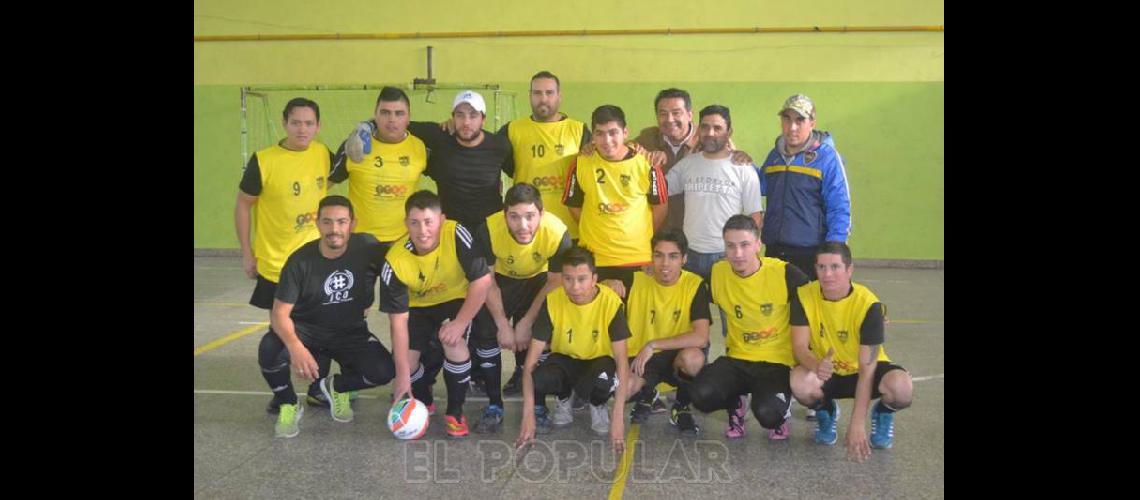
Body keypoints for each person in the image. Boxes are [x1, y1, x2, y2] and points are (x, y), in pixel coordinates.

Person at [259, 196, 395, 438]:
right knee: (269, 348)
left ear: (352, 223)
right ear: (318, 223)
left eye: (342, 222)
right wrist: (295, 347)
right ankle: (289, 403)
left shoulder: (366, 246)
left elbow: (403, 255)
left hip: (348, 332)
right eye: (328, 222)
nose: (335, 230)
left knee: (383, 370)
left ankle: (334, 387)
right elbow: (279, 314)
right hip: (307, 332)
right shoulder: (300, 261)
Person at [235, 97, 339, 414]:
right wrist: (246, 252)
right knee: (279, 336)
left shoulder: (323, 153)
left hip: (316, 265)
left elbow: (341, 179)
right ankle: (283, 395)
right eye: (296, 122)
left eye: (309, 123)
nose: (302, 129)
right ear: (284, 123)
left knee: (320, 333)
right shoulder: (264, 160)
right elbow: (242, 204)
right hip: (276, 264)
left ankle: (318, 389)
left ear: (318, 126)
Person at [496, 71, 590, 396]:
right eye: (537, 93)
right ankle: (524, 372)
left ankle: (571, 372)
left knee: (570, 307)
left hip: (569, 234)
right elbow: (486, 154)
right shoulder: (514, 131)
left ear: (560, 96)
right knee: (530, 309)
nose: (543, 99)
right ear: (529, 95)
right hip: (528, 235)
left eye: (549, 92)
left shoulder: (578, 130)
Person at [379, 190, 494, 438]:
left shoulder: (456, 233)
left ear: (441, 220)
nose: (422, 231)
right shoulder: (395, 261)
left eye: (429, 221)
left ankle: (455, 412)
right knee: (406, 364)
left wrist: (461, 323)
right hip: (418, 309)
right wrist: (401, 378)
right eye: (415, 223)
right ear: (405, 224)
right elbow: (398, 324)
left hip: (455, 300)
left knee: (453, 343)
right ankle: (421, 399)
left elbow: (482, 281)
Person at [789, 242, 913, 461]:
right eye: (821, 267)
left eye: (835, 267)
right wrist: (815, 365)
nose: (827, 274)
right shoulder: (803, 296)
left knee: (901, 388)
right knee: (800, 382)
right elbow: (799, 347)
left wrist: (857, 424)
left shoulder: (869, 305)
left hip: (862, 369)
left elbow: (867, 372)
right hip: (826, 369)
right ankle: (826, 410)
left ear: (849, 270)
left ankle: (883, 412)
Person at [688, 215, 808, 441]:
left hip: (776, 362)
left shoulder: (784, 273)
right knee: (701, 396)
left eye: (744, 245)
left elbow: (819, 297)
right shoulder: (718, 273)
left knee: (768, 414)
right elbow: (683, 286)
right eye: (731, 246)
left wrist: (870, 312)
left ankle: (780, 411)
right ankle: (737, 401)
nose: (738, 253)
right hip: (737, 359)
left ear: (758, 245)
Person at [515, 247, 630, 454]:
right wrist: (528, 415)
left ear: (594, 279)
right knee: (538, 378)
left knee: (604, 379)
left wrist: (618, 417)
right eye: (568, 279)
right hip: (564, 360)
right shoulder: (552, 301)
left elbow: (622, 361)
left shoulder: (611, 303)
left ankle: (598, 403)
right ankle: (564, 396)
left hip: (598, 362)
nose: (575, 287)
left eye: (582, 279)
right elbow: (530, 360)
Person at [473, 183, 573, 421]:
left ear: (542, 213)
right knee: (487, 332)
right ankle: (494, 404)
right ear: (504, 214)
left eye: (530, 216)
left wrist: (527, 322)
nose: (523, 225)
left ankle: (538, 404)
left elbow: (555, 282)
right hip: (501, 282)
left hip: (539, 282)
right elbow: (486, 282)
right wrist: (502, 325)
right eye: (514, 217)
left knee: (539, 335)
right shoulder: (488, 229)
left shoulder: (557, 232)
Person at [665, 104, 763, 338]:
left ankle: (736, 363)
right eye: (705, 127)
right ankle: (692, 367)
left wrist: (749, 255)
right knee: (689, 322)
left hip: (727, 257)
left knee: (736, 322)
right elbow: (659, 189)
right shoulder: (688, 164)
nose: (710, 133)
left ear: (729, 131)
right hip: (690, 256)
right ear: (698, 130)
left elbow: (755, 217)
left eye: (717, 128)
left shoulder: (743, 168)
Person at [563, 104, 668, 296]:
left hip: (637, 259)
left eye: (613, 133)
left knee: (635, 323)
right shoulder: (580, 164)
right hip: (595, 260)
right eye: (600, 134)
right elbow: (574, 207)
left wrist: (639, 233)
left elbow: (660, 206)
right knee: (599, 321)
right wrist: (596, 225)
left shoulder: (647, 163)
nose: (607, 140)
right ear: (592, 136)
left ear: (625, 132)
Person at [623, 228, 710, 436]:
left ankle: (681, 406)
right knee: (620, 389)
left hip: (675, 355)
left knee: (693, 359)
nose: (664, 264)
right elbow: (592, 286)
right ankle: (648, 393)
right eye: (658, 255)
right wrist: (610, 284)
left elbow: (701, 336)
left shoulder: (694, 284)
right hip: (641, 358)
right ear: (650, 257)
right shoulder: (634, 279)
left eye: (673, 256)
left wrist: (654, 344)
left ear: (684, 259)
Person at [757, 93, 851, 281]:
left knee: (809, 309)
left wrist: (833, 251)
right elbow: (758, 186)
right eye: (787, 119)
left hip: (810, 254)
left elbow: (839, 208)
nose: (792, 127)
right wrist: (739, 160)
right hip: (774, 251)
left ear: (812, 123)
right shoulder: (774, 155)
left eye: (800, 120)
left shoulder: (827, 157)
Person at [633, 89, 753, 230]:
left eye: (676, 113)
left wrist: (741, 156)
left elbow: (734, 164)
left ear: (690, 115)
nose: (670, 119)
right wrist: (646, 153)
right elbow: (624, 149)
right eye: (663, 114)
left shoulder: (709, 139)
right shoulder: (648, 137)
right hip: (658, 232)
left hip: (698, 235)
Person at [330, 86, 427, 247]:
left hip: (404, 241)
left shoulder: (421, 147)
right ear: (375, 116)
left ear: (409, 118)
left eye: (399, 113)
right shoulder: (355, 145)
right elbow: (324, 183)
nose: (392, 120)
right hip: (359, 241)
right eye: (385, 112)